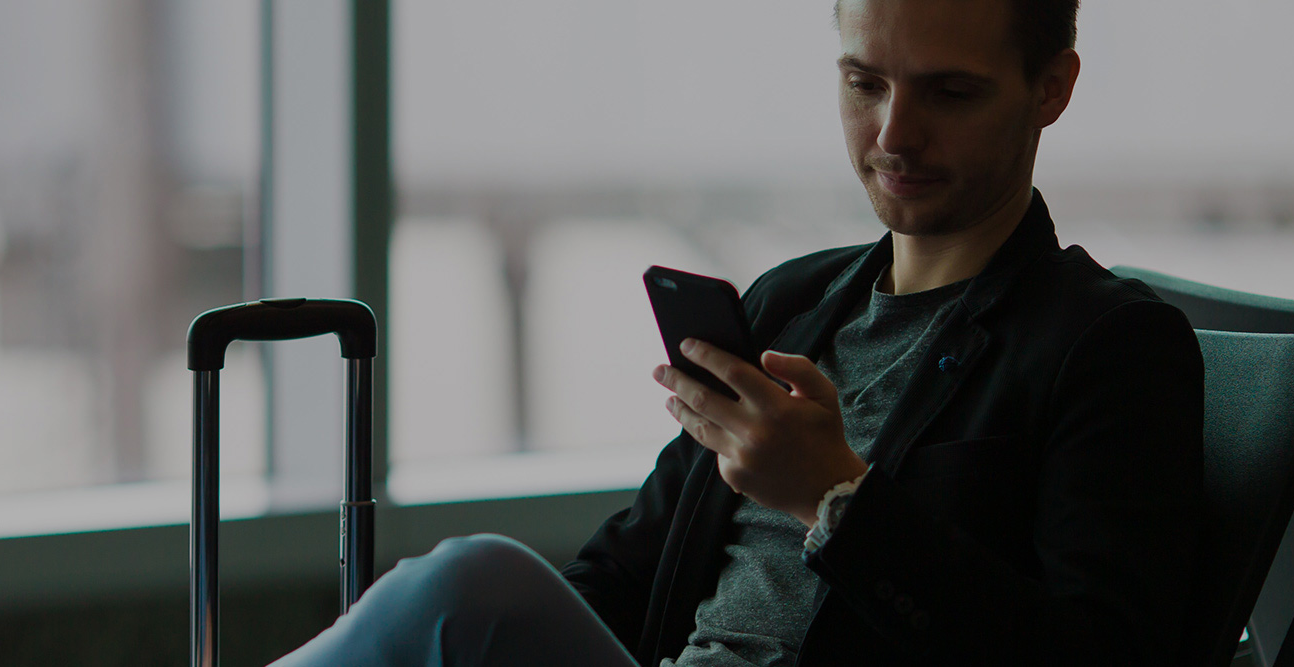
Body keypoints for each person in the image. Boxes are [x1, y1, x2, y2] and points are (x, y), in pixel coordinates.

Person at [271, 0, 1203, 665]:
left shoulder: (1111, 346)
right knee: (476, 600)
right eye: (864, 81)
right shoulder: (791, 303)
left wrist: (837, 498)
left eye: (950, 92)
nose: (894, 134)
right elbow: (625, 570)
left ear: (1052, 88)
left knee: (471, 584)